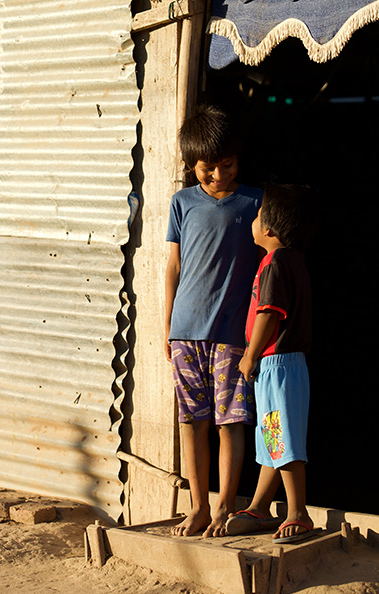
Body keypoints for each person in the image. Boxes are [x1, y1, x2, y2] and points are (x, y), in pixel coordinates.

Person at [165, 105, 262, 537]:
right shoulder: (181, 203)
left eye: (227, 166)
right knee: (192, 422)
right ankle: (198, 505)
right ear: (192, 166)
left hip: (231, 337)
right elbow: (173, 267)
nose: (219, 176)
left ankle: (224, 506)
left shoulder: (255, 203)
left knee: (230, 422)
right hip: (186, 331)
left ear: (238, 160)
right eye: (208, 169)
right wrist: (167, 326)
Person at [229, 184, 317, 544]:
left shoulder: (276, 263)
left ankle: (298, 511)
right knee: (271, 437)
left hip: (277, 365)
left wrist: (250, 355)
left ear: (269, 228)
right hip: (276, 367)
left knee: (283, 439)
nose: (253, 219)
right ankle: (261, 506)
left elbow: (268, 314)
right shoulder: (286, 261)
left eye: (257, 213)